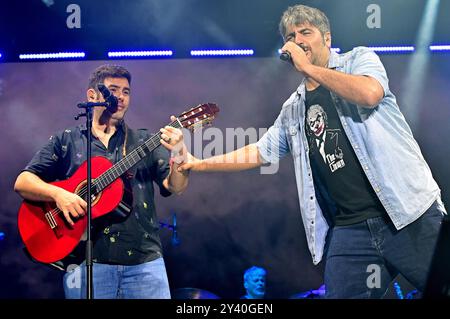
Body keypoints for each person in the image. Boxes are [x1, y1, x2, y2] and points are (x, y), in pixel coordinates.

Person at [178, 5, 447, 298]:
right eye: (291, 36)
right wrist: (197, 163)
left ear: (327, 38)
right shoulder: (294, 108)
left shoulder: (359, 59)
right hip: (349, 229)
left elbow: (370, 95)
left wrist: (308, 68)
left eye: (306, 32)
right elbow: (258, 152)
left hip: (405, 214)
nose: (298, 40)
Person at [14, 64, 189, 299]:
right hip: (86, 263)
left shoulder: (143, 140)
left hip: (144, 263)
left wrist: (179, 152)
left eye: (126, 92)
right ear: (92, 95)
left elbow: (175, 187)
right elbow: (23, 181)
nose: (121, 97)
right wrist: (59, 195)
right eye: (113, 89)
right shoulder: (67, 140)